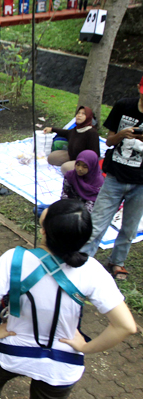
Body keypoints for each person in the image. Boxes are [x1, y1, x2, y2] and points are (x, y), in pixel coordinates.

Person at [0, 199, 136, 399]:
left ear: (45, 231)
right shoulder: (92, 271)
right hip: (61, 365)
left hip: (10, 351)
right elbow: (126, 326)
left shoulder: (14, 258)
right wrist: (85, 347)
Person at [81, 76, 143, 281]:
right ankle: (83, 258)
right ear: (139, 88)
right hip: (115, 176)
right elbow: (108, 141)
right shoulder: (124, 106)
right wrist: (122, 135)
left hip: (140, 183)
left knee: (130, 227)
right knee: (98, 221)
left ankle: (117, 261)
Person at [43, 106, 99, 175]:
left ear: (88, 117)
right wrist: (52, 129)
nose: (79, 115)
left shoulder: (91, 132)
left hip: (83, 161)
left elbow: (95, 154)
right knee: (52, 158)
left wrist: (84, 165)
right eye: (78, 113)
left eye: (83, 114)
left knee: (65, 168)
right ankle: (71, 164)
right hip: (72, 155)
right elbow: (66, 133)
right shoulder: (76, 129)